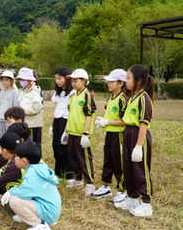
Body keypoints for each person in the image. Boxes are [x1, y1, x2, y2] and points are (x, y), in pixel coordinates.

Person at [114, 64, 154, 217]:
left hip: (138, 135)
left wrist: (138, 145)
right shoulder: (132, 97)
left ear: (139, 81)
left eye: (128, 78)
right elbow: (127, 121)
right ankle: (132, 198)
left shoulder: (144, 98)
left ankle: (146, 203)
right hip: (128, 133)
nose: (126, 82)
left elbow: (144, 123)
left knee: (140, 170)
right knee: (128, 168)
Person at [1, 141, 61, 230]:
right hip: (52, 209)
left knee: (14, 201)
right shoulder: (40, 166)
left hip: (49, 212)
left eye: (16, 156)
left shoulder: (31, 173)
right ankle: (30, 216)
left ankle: (40, 225)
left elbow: (22, 194)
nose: (14, 158)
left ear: (24, 161)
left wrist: (11, 191)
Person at [92, 69, 128, 203]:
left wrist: (107, 122)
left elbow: (125, 121)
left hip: (119, 135)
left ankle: (122, 190)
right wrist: (104, 122)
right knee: (108, 160)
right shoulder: (110, 99)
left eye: (111, 81)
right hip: (109, 134)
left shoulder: (123, 100)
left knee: (119, 162)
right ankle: (105, 186)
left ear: (120, 83)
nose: (108, 84)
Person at [61, 69, 96, 196]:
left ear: (84, 81)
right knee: (73, 157)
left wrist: (85, 133)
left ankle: (90, 183)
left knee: (84, 158)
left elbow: (89, 115)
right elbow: (70, 115)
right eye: (72, 81)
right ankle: (78, 180)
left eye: (76, 81)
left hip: (82, 134)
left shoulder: (87, 95)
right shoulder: (72, 96)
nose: (73, 83)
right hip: (72, 133)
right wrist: (65, 132)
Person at [49, 67, 75, 181]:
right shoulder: (57, 93)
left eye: (60, 79)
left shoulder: (73, 93)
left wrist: (66, 130)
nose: (57, 81)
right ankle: (59, 173)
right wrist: (51, 125)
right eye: (56, 79)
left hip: (66, 121)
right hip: (57, 121)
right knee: (55, 146)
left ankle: (69, 174)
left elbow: (71, 113)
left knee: (64, 147)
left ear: (66, 78)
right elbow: (55, 110)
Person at [16, 68, 43, 150]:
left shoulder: (34, 91)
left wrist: (23, 110)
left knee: (35, 144)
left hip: (34, 123)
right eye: (20, 79)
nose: (21, 81)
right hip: (25, 122)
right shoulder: (22, 91)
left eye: (23, 79)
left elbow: (37, 108)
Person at [0, 132, 25, 199]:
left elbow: (0, 184)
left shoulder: (15, 163)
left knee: (7, 185)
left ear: (4, 151)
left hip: (34, 194)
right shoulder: (26, 153)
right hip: (43, 188)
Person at [0, 70, 19, 137]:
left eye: (6, 80)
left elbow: (15, 107)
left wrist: (13, 120)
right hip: (1, 119)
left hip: (9, 120)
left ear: (11, 81)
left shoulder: (15, 92)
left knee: (10, 137)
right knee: (3, 138)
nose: (4, 82)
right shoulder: (1, 93)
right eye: (2, 80)